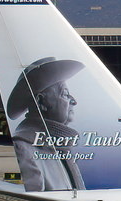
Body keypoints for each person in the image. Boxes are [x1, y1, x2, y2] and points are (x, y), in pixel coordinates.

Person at [6, 56, 85, 191]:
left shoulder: (58, 145)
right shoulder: (25, 148)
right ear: (41, 102)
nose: (74, 101)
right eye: (65, 94)